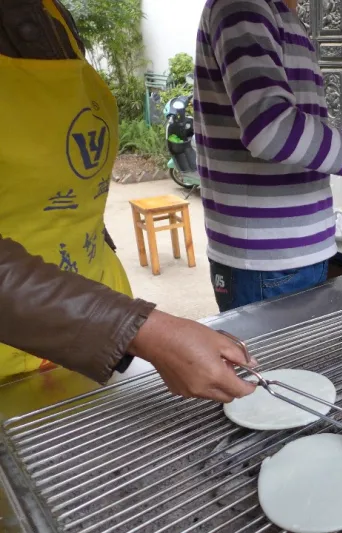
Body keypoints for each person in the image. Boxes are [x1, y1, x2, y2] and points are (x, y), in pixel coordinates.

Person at [0, 0, 255, 402]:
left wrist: (126, 328)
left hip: (91, 326)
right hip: (16, 354)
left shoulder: (53, 16)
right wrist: (142, 330)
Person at [195, 0, 342, 312]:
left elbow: (290, 134)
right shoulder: (244, 6)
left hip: (291, 255)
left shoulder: (280, 14)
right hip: (268, 261)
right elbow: (270, 129)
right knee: (272, 362)